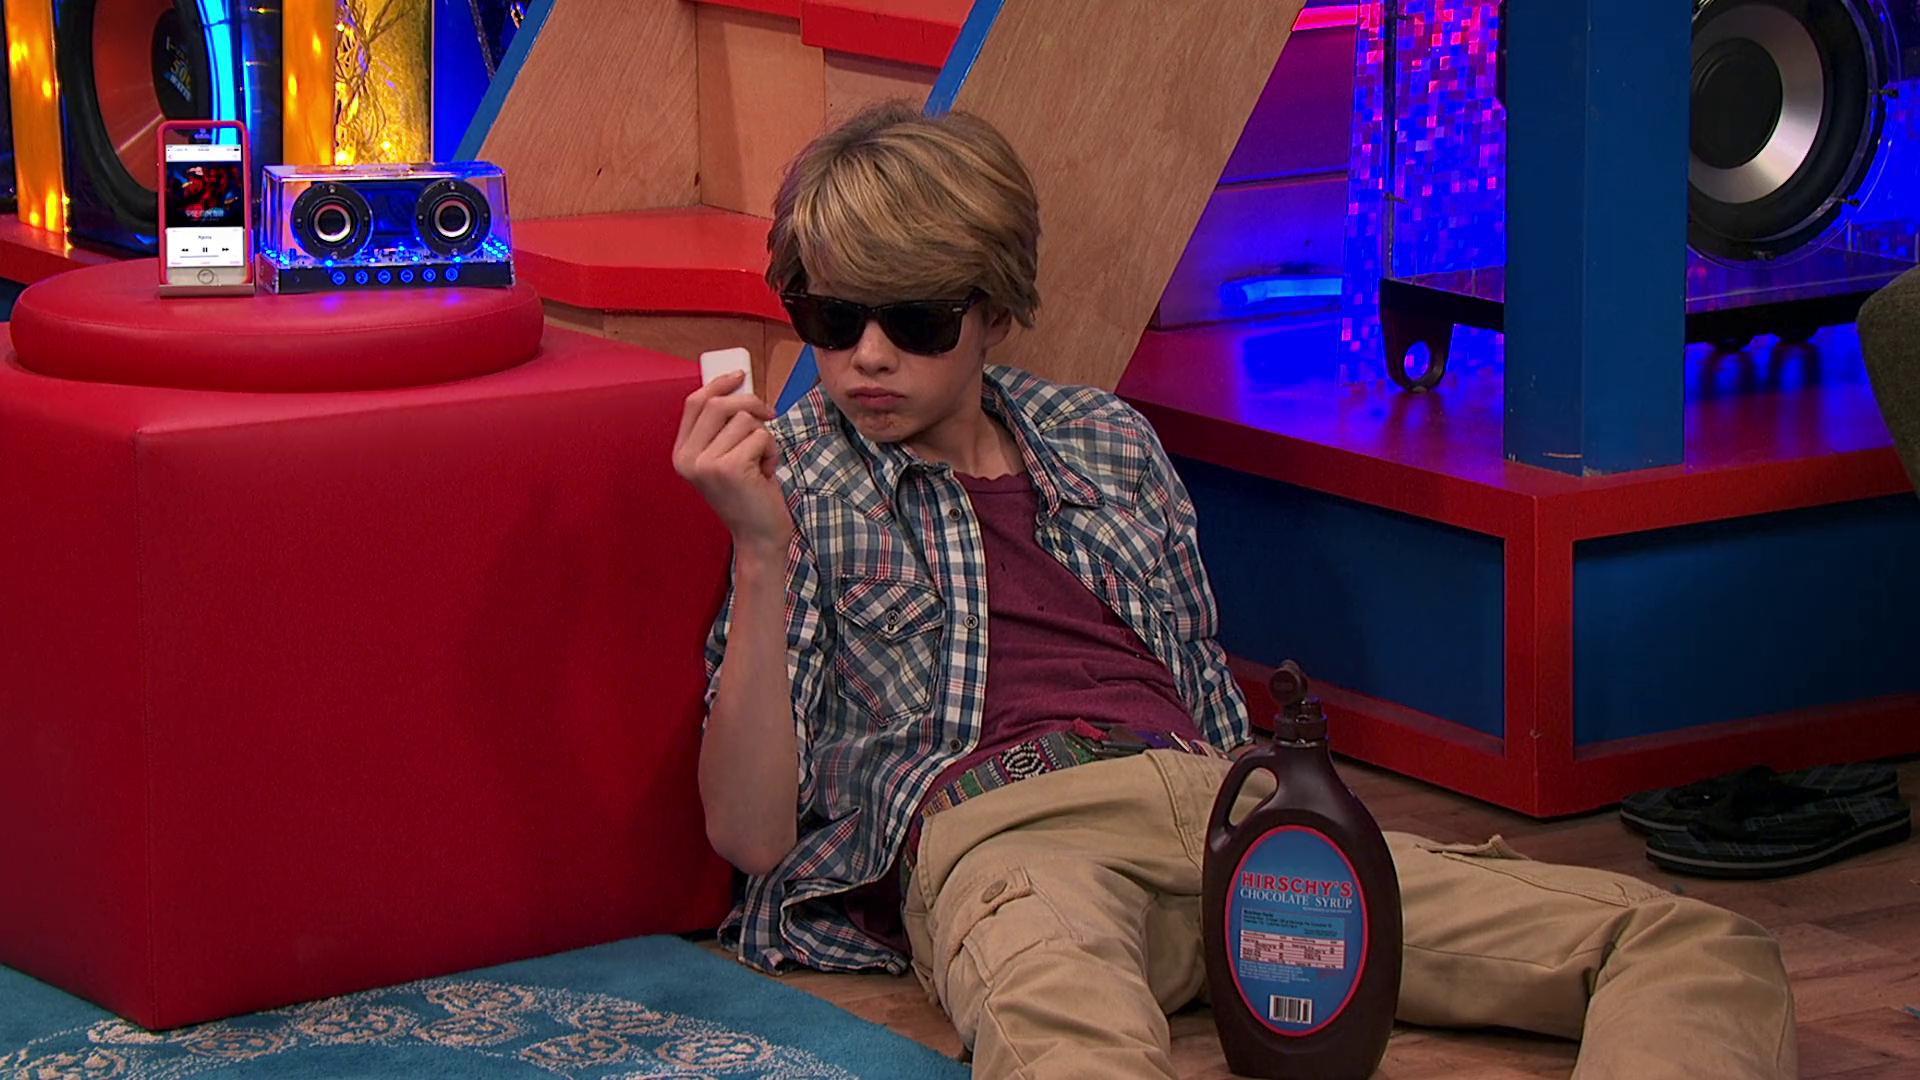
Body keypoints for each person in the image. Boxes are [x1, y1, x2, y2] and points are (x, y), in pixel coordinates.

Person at [671, 100, 1796, 1080]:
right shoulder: (794, 476)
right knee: (1075, 1055)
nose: (866, 356)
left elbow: (1205, 691)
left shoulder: (1105, 439)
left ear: (995, 313)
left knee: (1694, 947)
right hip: (1010, 838)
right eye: (832, 320)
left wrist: (1287, 815)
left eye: (914, 320)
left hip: (1226, 812)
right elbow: (752, 837)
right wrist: (761, 553)